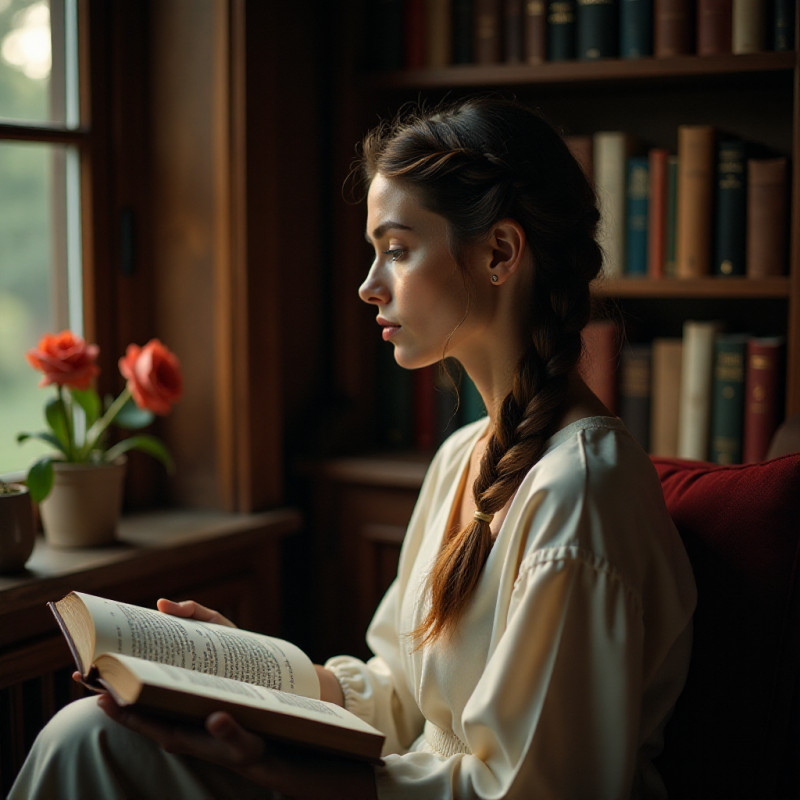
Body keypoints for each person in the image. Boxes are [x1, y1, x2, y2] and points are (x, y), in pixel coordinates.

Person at [9, 96, 696, 799]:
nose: (369, 287)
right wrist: (248, 667)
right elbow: (401, 697)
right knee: (90, 731)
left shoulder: (579, 492)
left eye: (397, 250)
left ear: (499, 252)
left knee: (86, 744)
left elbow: (535, 790)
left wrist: (302, 774)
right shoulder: (463, 458)